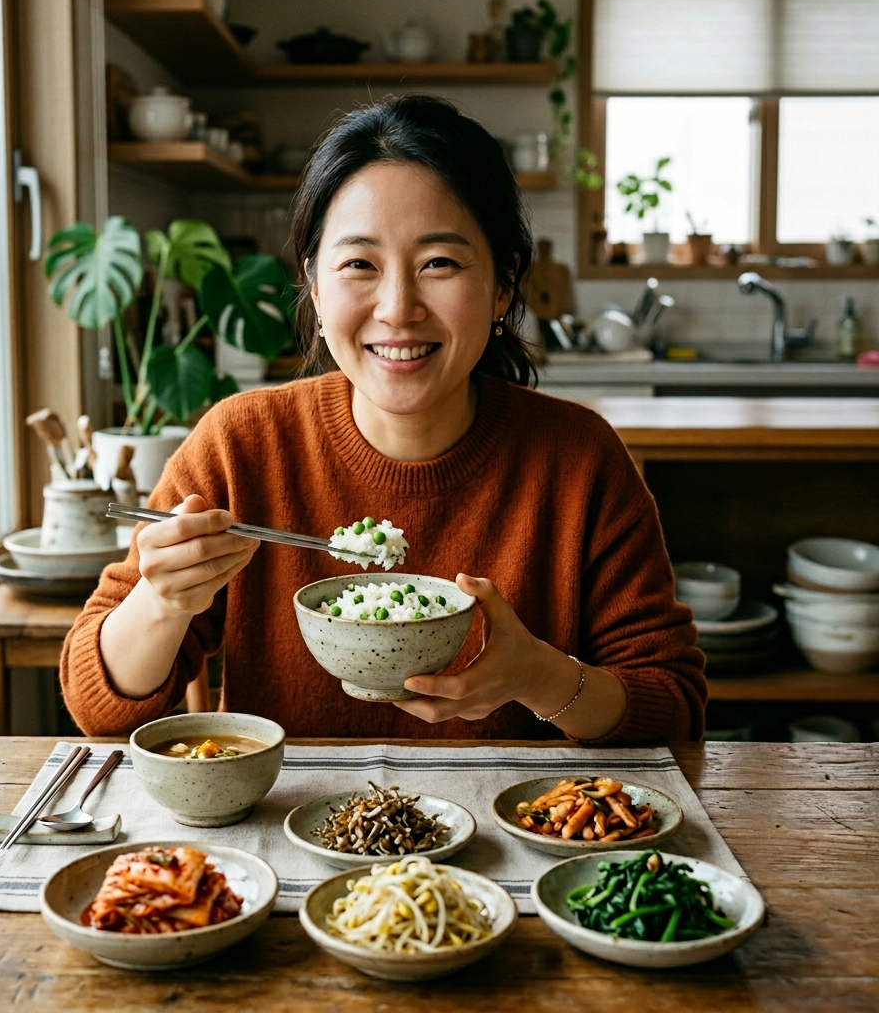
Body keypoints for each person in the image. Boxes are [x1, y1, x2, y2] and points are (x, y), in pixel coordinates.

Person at [61, 95, 705, 742]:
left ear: (504, 284)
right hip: (285, 832)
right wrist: (162, 600)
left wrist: (538, 676)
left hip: (517, 833)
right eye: (359, 265)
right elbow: (101, 706)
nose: (398, 309)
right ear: (315, 284)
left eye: (439, 264)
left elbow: (674, 707)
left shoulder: (578, 459)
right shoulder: (242, 444)